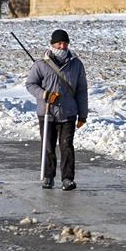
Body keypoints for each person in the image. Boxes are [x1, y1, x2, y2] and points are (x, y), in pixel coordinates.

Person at [25, 29, 88, 191]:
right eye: (59, 43)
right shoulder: (40, 64)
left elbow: (81, 90)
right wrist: (45, 95)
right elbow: (30, 85)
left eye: (65, 43)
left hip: (69, 113)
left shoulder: (76, 64)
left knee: (67, 146)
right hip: (47, 112)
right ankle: (48, 176)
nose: (62, 46)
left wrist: (83, 114)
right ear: (52, 44)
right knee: (48, 145)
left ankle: (67, 179)